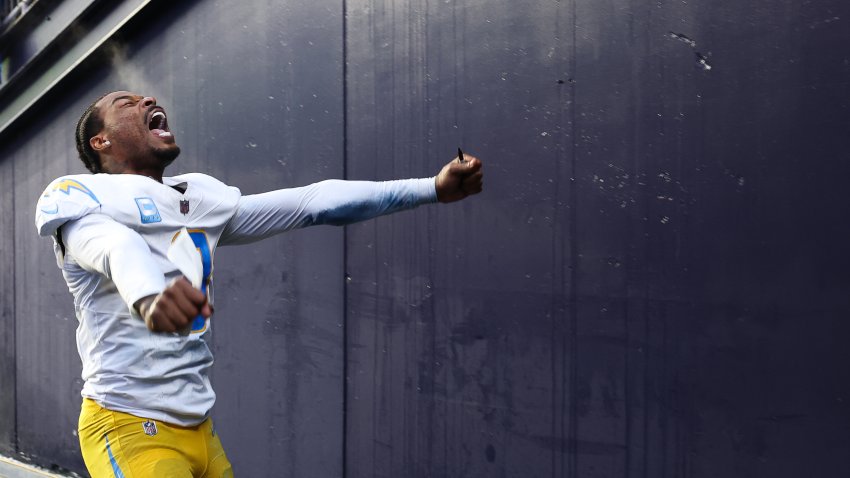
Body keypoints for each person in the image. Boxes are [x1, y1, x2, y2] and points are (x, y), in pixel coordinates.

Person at [34, 91, 483, 477]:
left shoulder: (197, 200)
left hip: (199, 428)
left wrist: (430, 188)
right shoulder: (81, 196)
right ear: (101, 141)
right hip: (129, 424)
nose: (147, 100)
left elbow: (311, 202)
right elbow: (113, 246)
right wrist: (148, 295)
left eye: (144, 97)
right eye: (125, 103)